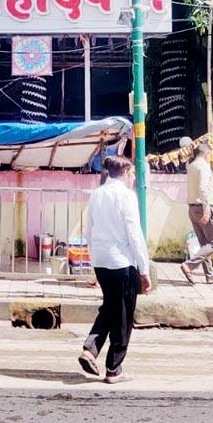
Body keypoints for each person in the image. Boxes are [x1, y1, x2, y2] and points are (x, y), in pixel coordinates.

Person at [78, 156, 150, 384]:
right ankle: (114, 369)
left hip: (101, 260)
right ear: (126, 173)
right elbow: (135, 234)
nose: (133, 179)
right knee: (123, 315)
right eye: (132, 175)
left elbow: (88, 229)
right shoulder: (127, 196)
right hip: (121, 261)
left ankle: (90, 349)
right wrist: (144, 269)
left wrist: (93, 258)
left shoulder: (97, 194)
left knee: (110, 307)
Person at [180, 144, 213, 284]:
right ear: (206, 153)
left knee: (205, 244)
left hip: (192, 208)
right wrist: (206, 208)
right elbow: (203, 188)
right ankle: (190, 265)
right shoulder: (203, 166)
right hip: (202, 207)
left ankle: (210, 275)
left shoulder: (191, 166)